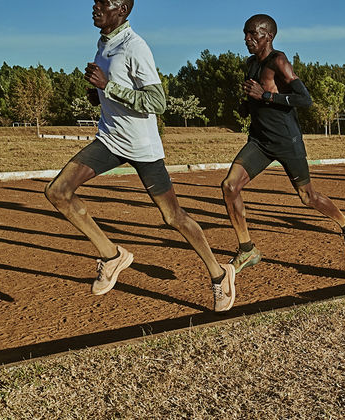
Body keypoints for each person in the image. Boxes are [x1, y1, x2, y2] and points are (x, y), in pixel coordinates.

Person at [44, 0, 236, 312]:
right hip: (109, 139)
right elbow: (114, 94)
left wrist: (109, 85)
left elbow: (158, 102)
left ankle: (219, 274)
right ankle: (111, 255)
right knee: (58, 191)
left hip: (142, 146)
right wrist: (98, 93)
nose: (95, 6)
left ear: (121, 10)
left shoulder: (135, 47)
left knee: (172, 217)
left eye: (103, 3)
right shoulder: (103, 45)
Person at [221, 14, 345, 274]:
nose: (247, 39)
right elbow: (258, 98)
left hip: (287, 141)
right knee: (230, 186)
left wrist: (263, 95)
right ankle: (247, 248)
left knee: (307, 197)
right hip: (260, 141)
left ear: (269, 36)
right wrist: (246, 105)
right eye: (245, 34)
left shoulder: (279, 61)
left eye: (253, 34)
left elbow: (304, 99)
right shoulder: (250, 63)